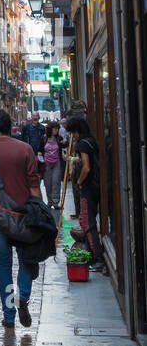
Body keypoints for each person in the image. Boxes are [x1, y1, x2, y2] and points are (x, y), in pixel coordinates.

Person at [0, 109, 43, 329]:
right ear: (11, 126)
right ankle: (23, 295)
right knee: (25, 259)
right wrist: (41, 215)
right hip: (23, 216)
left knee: (4, 264)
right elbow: (34, 187)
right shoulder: (25, 150)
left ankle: (9, 315)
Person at [66, 115, 107, 274]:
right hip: (97, 185)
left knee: (87, 222)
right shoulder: (92, 141)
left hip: (89, 187)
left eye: (72, 132)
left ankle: (97, 258)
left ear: (76, 131)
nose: (72, 136)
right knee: (88, 220)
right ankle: (95, 256)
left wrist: (79, 182)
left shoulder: (82, 144)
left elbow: (86, 167)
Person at [41, 120, 65, 211]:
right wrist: (39, 155)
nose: (56, 131)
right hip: (46, 163)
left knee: (56, 182)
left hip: (57, 163)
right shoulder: (43, 138)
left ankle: (55, 203)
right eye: (55, 129)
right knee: (48, 183)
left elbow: (64, 146)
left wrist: (65, 142)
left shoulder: (59, 138)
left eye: (57, 129)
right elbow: (40, 149)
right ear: (50, 129)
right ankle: (49, 201)